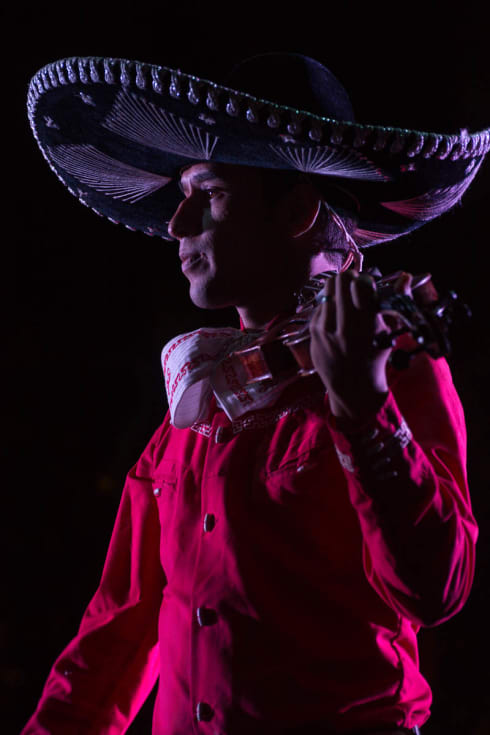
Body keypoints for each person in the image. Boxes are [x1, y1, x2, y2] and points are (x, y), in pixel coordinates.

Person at [23, 52, 488, 734]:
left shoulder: (398, 367)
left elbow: (436, 589)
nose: (178, 226)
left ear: (296, 207)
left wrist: (365, 415)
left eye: (207, 193)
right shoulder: (193, 406)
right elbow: (118, 633)